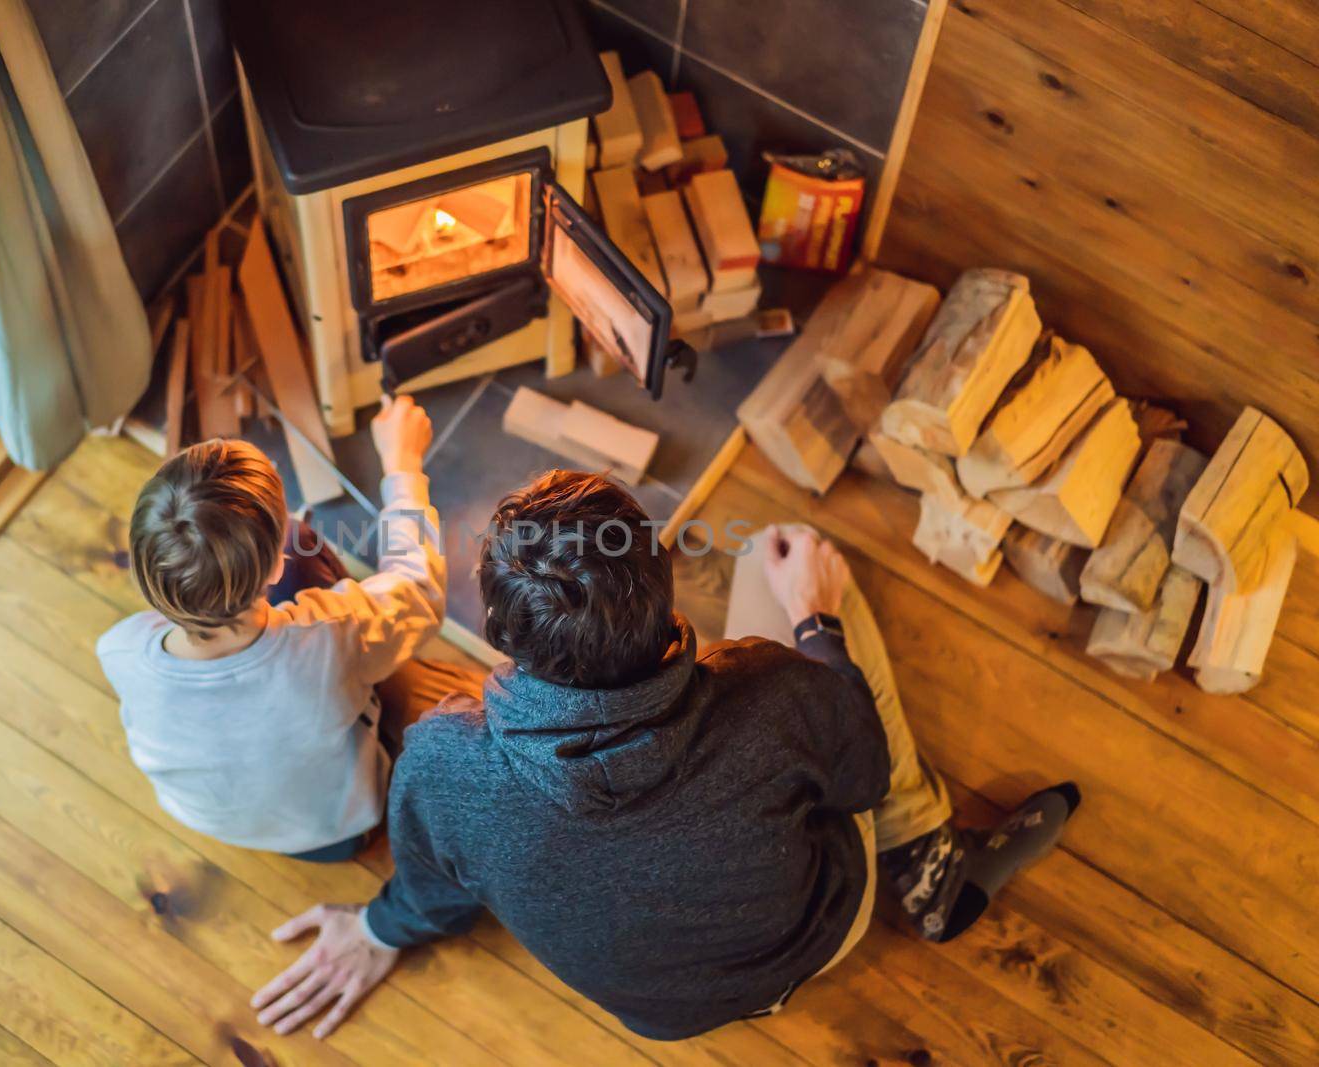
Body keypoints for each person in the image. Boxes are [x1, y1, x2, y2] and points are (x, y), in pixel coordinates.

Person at [251, 470, 1079, 1040]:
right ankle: (929, 856)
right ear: (663, 585)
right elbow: (863, 774)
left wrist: (378, 927)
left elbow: (433, 883)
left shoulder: (442, 762)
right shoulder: (769, 686)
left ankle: (930, 852)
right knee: (788, 554)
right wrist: (814, 624)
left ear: (501, 633)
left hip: (661, 1014)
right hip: (819, 936)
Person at [96, 395, 483, 863]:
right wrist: (402, 465)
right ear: (275, 567)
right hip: (339, 828)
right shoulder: (330, 636)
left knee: (305, 553)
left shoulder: (117, 649)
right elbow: (419, 591)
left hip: (215, 818)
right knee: (310, 546)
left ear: (142, 570)